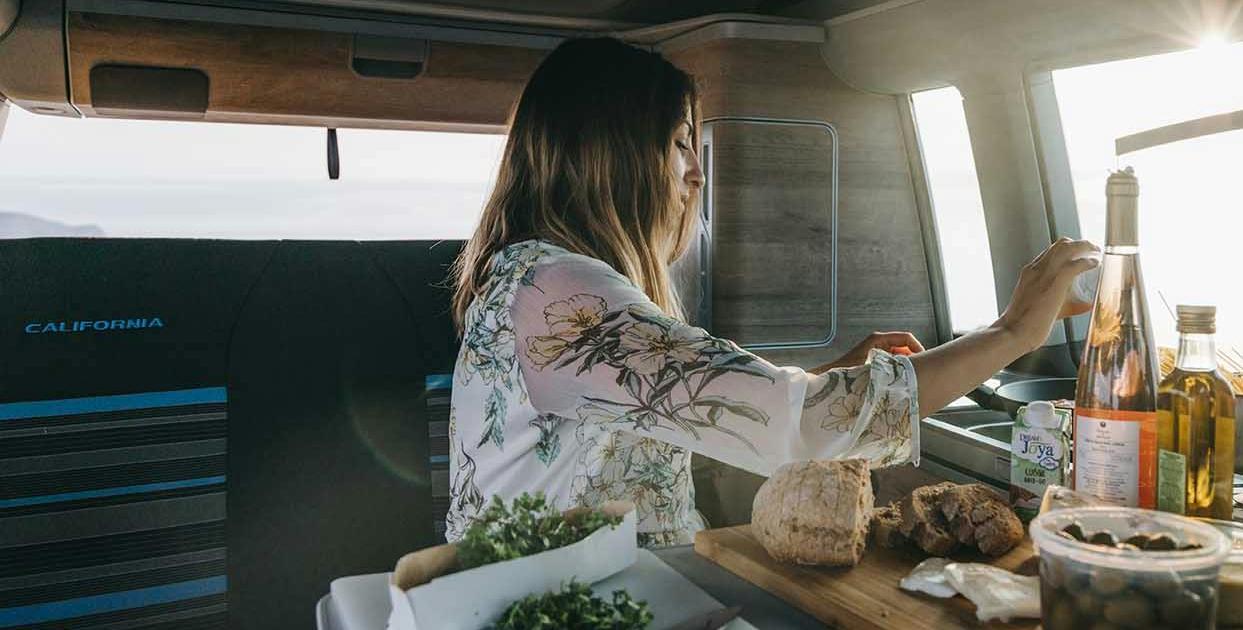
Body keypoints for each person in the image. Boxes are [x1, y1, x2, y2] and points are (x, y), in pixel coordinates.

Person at [447, 37, 1096, 547]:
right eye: (678, 142)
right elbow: (799, 422)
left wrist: (834, 376)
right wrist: (1012, 332)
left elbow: (703, 410)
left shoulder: (536, 281)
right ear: (609, 155)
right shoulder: (562, 298)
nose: (697, 171)